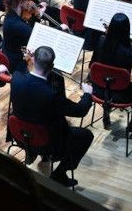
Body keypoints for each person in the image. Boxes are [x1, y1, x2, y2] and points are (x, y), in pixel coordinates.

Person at [10, 46, 93, 187]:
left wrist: (26, 60)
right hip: (47, 143)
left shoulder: (16, 79)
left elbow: (20, 68)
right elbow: (80, 111)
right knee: (86, 135)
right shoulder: (52, 95)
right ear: (53, 66)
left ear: (33, 59)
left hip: (20, 137)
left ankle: (35, 154)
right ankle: (59, 174)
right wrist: (87, 94)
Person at [1, 0, 37, 72]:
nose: (28, 3)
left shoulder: (9, 15)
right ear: (21, 3)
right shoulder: (18, 25)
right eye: (26, 1)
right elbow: (34, 37)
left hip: (9, 52)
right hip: (16, 63)